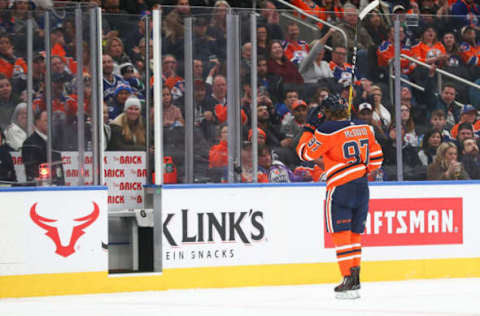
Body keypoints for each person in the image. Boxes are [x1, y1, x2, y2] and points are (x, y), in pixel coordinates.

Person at [296, 95, 383, 299]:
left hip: (340, 187)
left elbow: (305, 154)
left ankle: (347, 278)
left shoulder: (327, 130)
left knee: (341, 235)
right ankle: (355, 278)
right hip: (362, 185)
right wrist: (360, 169)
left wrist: (309, 128)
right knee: (355, 234)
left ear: (326, 113)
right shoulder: (365, 128)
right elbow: (377, 160)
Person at [21, 110, 64, 185]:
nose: (49, 124)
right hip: (38, 189)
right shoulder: (30, 143)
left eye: (50, 121)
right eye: (46, 121)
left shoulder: (53, 141)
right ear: (37, 122)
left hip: (56, 188)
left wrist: (61, 183)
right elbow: (31, 171)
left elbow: (59, 167)